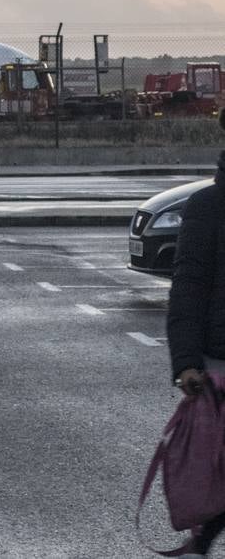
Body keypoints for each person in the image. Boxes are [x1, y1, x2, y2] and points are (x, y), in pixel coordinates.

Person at [166, 115, 225, 557]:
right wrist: (187, 362)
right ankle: (205, 536)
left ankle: (204, 537)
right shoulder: (209, 206)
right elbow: (189, 285)